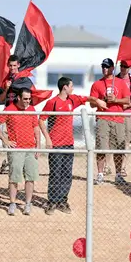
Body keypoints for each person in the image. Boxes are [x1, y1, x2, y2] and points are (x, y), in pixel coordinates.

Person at [0, 88, 52, 216]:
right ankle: (12, 203)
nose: (27, 101)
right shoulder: (9, 109)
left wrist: (38, 146)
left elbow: (36, 128)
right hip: (16, 149)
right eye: (25, 99)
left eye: (29, 99)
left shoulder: (31, 109)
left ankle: (28, 204)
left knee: (30, 178)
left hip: (30, 149)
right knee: (14, 178)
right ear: (18, 98)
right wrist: (6, 140)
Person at [41, 76, 90, 214]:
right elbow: (41, 120)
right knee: (55, 174)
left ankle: (63, 201)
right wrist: (48, 139)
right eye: (71, 86)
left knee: (67, 174)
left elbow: (86, 99)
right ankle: (52, 202)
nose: (73, 88)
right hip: (56, 144)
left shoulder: (72, 100)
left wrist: (98, 101)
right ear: (65, 87)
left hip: (69, 144)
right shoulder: (52, 102)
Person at [90, 58, 130, 185]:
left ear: (113, 68)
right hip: (103, 118)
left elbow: (127, 100)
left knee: (118, 147)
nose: (104, 69)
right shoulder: (97, 84)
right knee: (101, 147)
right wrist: (101, 100)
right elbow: (91, 104)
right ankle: (100, 174)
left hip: (118, 118)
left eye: (107, 67)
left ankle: (118, 175)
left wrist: (115, 100)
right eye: (103, 67)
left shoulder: (121, 82)